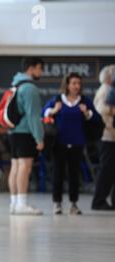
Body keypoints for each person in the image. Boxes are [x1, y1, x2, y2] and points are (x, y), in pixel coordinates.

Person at [43, 73, 99, 215]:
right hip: (59, 144)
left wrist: (87, 113)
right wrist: (54, 110)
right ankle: (57, 204)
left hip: (77, 143)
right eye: (74, 83)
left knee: (74, 175)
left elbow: (96, 118)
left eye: (78, 83)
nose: (76, 86)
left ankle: (74, 204)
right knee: (58, 174)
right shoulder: (57, 99)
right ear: (67, 84)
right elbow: (44, 112)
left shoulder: (84, 101)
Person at [8, 57, 45, 215]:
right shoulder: (29, 88)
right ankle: (22, 204)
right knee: (25, 166)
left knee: (16, 166)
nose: (41, 72)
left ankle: (15, 203)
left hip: (14, 131)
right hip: (25, 132)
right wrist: (39, 138)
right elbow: (33, 116)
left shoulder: (16, 84)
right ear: (32, 68)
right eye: (40, 68)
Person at [92, 65, 115, 210]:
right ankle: (99, 201)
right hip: (107, 136)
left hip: (111, 136)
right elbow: (101, 111)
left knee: (111, 171)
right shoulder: (105, 91)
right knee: (106, 171)